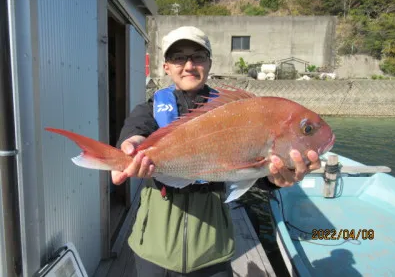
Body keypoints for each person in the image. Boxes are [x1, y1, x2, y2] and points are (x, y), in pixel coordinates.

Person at [111, 26, 321, 276]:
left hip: (213, 249)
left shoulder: (233, 110)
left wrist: (275, 178)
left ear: (210, 64)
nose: (189, 65)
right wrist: (130, 146)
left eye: (198, 56)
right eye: (178, 57)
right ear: (166, 66)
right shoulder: (151, 108)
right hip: (154, 246)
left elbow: (251, 170)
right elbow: (137, 129)